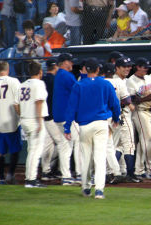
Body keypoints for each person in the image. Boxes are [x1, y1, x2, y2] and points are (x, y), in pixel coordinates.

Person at [64, 57, 121, 199]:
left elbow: (71, 108)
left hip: (85, 125)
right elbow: (115, 103)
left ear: (86, 70)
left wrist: (67, 127)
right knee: (100, 157)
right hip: (101, 124)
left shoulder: (79, 85)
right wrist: (116, 118)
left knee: (86, 158)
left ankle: (86, 188)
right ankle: (99, 190)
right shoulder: (105, 84)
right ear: (97, 69)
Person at [14, 61, 48, 188]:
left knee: (31, 150)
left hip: (25, 119)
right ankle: (31, 180)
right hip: (35, 120)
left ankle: (30, 178)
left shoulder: (22, 85)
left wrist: (23, 114)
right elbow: (39, 102)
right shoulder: (39, 83)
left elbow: (16, 105)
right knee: (35, 151)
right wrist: (39, 121)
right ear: (40, 72)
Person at [127, 57, 151, 179]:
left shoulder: (148, 78)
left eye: (147, 67)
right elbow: (131, 99)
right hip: (140, 112)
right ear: (138, 67)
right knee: (149, 140)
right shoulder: (131, 80)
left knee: (143, 142)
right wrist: (144, 97)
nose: (146, 69)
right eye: (144, 67)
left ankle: (139, 169)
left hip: (150, 111)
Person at [0, 61, 22, 185]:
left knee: (0, 151)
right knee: (15, 150)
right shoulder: (14, 82)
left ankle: (2, 179)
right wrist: (22, 116)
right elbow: (17, 103)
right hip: (12, 122)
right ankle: (10, 175)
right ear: (8, 70)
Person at [112, 57, 142, 183]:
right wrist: (130, 102)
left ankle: (111, 172)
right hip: (122, 115)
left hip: (113, 118)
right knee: (129, 145)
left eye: (129, 66)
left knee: (116, 146)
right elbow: (124, 100)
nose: (128, 68)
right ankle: (130, 174)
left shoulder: (115, 80)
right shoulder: (118, 81)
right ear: (117, 68)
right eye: (124, 66)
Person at [52, 53, 77, 185]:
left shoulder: (60, 75)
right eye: (70, 61)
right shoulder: (66, 75)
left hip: (59, 116)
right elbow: (79, 91)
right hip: (66, 117)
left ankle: (66, 176)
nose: (72, 63)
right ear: (63, 62)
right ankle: (72, 175)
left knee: (64, 146)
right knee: (71, 146)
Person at [40, 59, 61, 181]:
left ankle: (46, 171)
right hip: (53, 116)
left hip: (44, 116)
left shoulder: (42, 80)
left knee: (48, 144)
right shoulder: (55, 80)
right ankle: (57, 170)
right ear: (55, 67)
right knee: (64, 143)